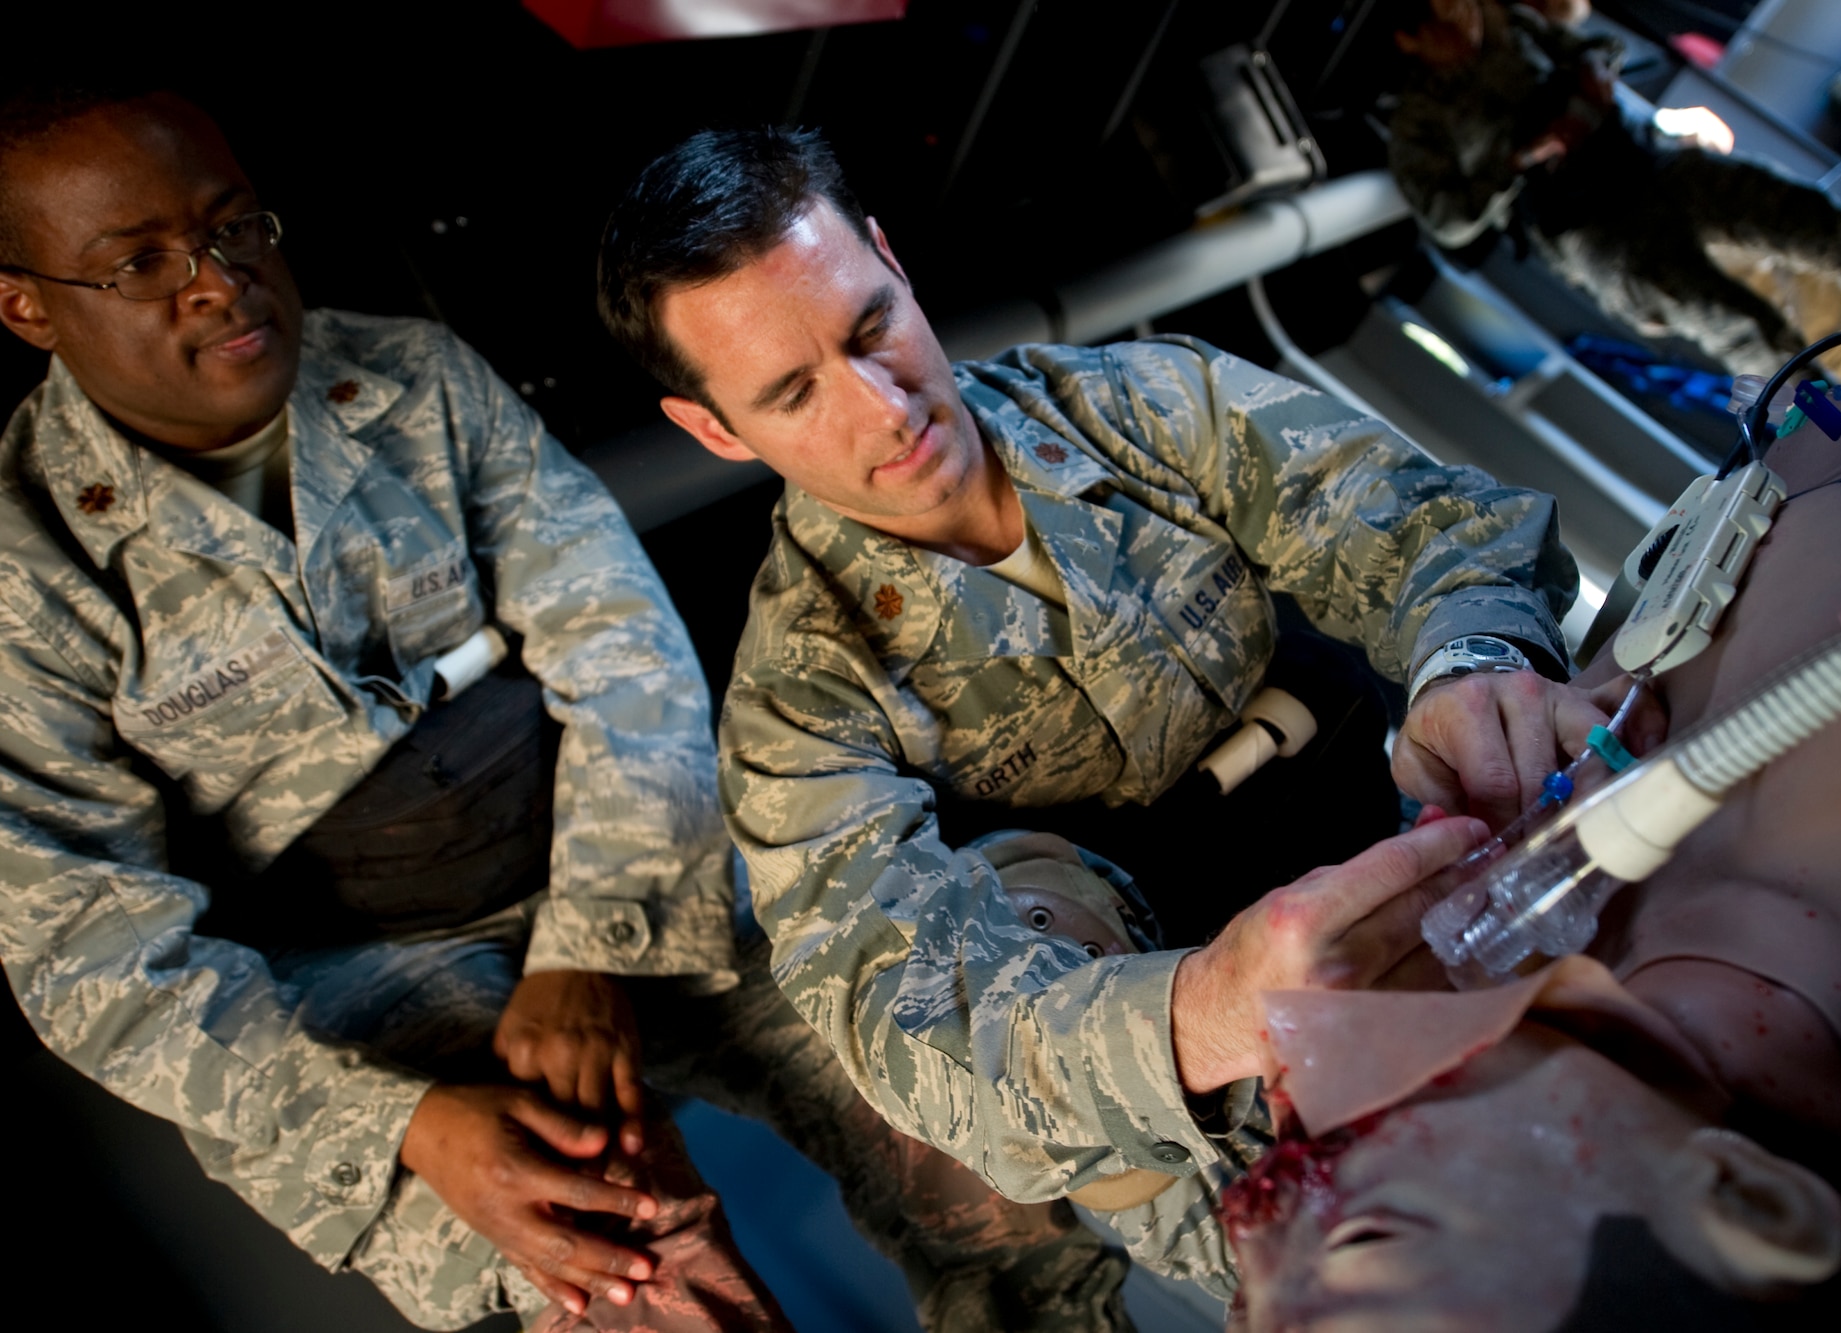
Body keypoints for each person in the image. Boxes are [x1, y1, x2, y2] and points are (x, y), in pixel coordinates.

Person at [0, 87, 1129, 1332]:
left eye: (234, 228)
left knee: (956, 1112)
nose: (216, 283)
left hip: (630, 844)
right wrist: (414, 1126)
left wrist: (594, 938)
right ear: (28, 305)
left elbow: (618, 633)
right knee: (619, 1277)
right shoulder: (26, 576)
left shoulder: (409, 381)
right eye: (139, 263)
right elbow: (85, 951)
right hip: (369, 968)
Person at [595, 126, 1651, 1293]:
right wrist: (1195, 1017)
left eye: (869, 330)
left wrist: (1471, 662)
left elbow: (1420, 524)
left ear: (891, 262)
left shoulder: (1139, 403)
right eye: (794, 394)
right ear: (712, 430)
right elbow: (911, 1019)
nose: (881, 410)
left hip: (1422, 813)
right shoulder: (796, 703)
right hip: (1196, 1009)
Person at [1225, 332, 1841, 1330]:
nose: (1247, 1216)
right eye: (1364, 1235)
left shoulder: (1525, 899)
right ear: (1749, 1202)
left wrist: (1483, 677)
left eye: (1237, 1311)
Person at [1386, 0, 1841, 377]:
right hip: (1595, 229)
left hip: (1643, 159)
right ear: (1409, 39)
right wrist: (1525, 156)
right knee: (1746, 333)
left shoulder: (1510, 25)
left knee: (1808, 219)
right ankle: (1837, 440)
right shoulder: (1418, 121)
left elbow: (1596, 46)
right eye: (1444, 15)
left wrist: (1592, 74)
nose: (1463, 15)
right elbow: (1448, 219)